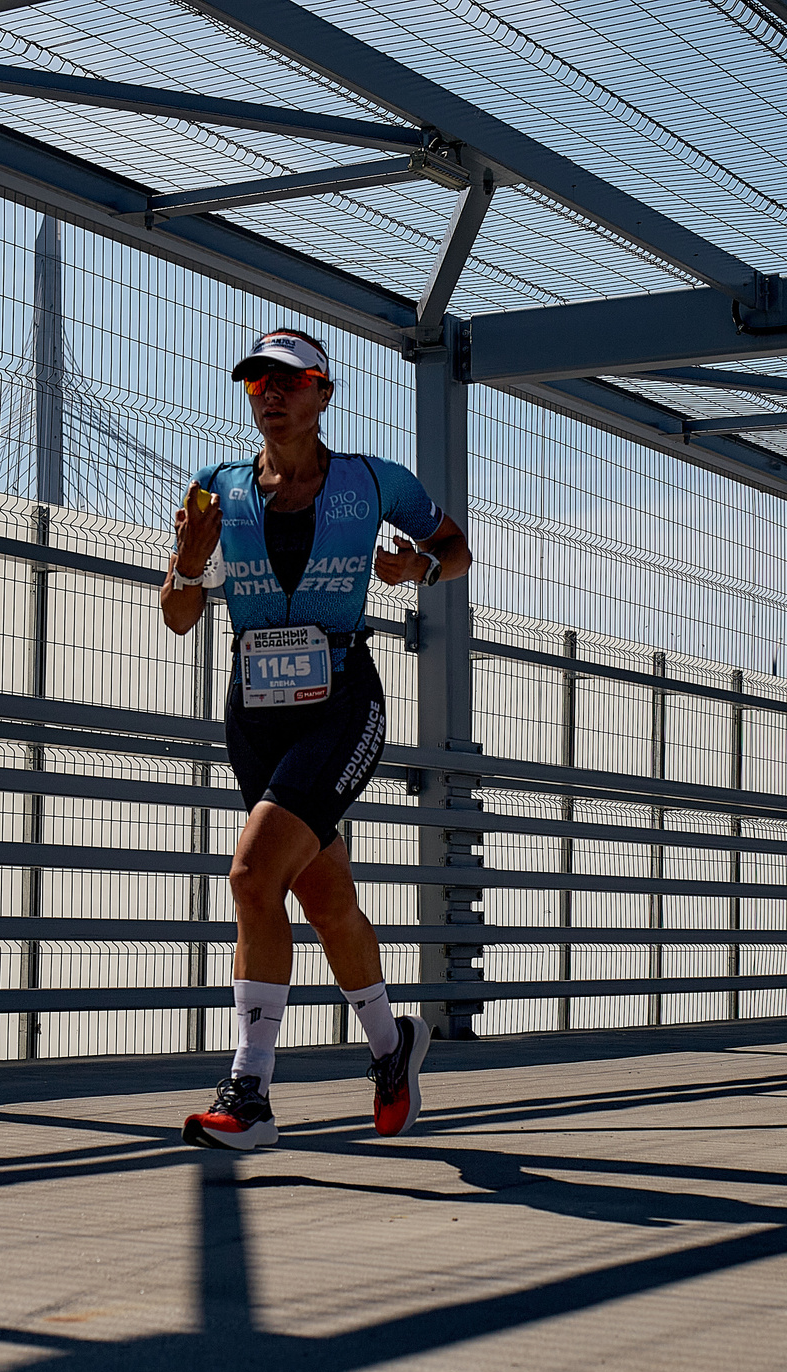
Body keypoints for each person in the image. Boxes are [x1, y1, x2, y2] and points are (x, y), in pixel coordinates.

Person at [159, 328, 472, 1150]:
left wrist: (417, 572)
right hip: (254, 710)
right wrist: (190, 565)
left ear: (324, 393)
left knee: (252, 872)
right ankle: (391, 1046)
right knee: (325, 901)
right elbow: (179, 614)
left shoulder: (373, 483)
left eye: (290, 381)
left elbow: (456, 548)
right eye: (257, 380)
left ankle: (251, 1094)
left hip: (340, 700)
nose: (271, 393)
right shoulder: (213, 490)